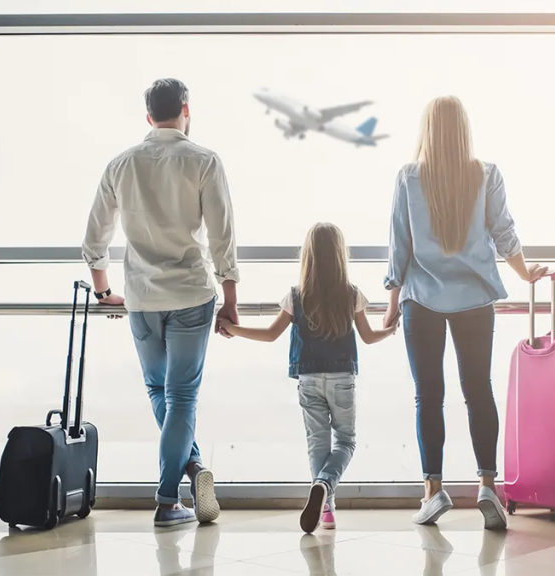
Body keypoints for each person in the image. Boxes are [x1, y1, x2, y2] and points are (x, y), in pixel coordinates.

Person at [381, 96, 547, 529]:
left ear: (428, 130)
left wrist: (392, 303)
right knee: (478, 391)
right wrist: (525, 272)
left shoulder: (408, 178)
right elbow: (504, 232)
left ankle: (433, 493)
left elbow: (400, 247)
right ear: (464, 130)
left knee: (428, 396)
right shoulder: (486, 174)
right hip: (475, 299)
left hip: (422, 300)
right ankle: (487, 486)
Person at [82, 78, 240, 527]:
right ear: (186, 110)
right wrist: (230, 300)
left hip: (142, 299)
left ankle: (186, 476)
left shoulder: (121, 165)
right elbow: (222, 237)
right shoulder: (205, 160)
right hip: (192, 293)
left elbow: (94, 241)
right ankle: (170, 495)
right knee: (183, 395)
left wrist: (102, 291)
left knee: (160, 391)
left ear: (148, 116)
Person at [219, 223, 396, 533]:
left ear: (309, 256)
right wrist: (392, 329)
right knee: (346, 441)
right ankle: (325, 486)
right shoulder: (352, 294)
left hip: (309, 378)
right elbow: (368, 337)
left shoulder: (296, 295)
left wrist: (233, 329)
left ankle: (326, 510)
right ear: (340, 255)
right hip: (342, 378)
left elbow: (271, 334)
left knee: (318, 445)